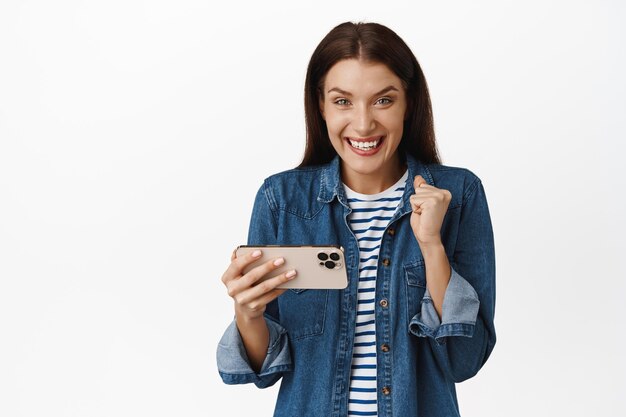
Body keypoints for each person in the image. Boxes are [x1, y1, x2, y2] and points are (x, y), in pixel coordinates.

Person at [216, 21, 496, 417]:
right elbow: (265, 371)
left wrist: (432, 246)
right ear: (321, 105)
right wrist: (248, 312)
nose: (363, 124)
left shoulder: (459, 195)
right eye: (343, 101)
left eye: (383, 100)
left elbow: (464, 360)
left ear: (409, 102)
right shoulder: (281, 201)